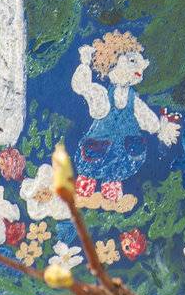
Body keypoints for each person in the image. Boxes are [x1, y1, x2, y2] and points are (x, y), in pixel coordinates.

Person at [71, 30, 179, 213]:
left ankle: (111, 199)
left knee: (115, 173)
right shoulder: (103, 95)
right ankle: (84, 193)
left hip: (124, 150)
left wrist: (160, 127)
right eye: (131, 61)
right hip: (100, 146)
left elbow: (147, 118)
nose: (139, 69)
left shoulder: (133, 99)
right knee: (90, 168)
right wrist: (85, 63)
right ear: (112, 62)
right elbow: (82, 87)